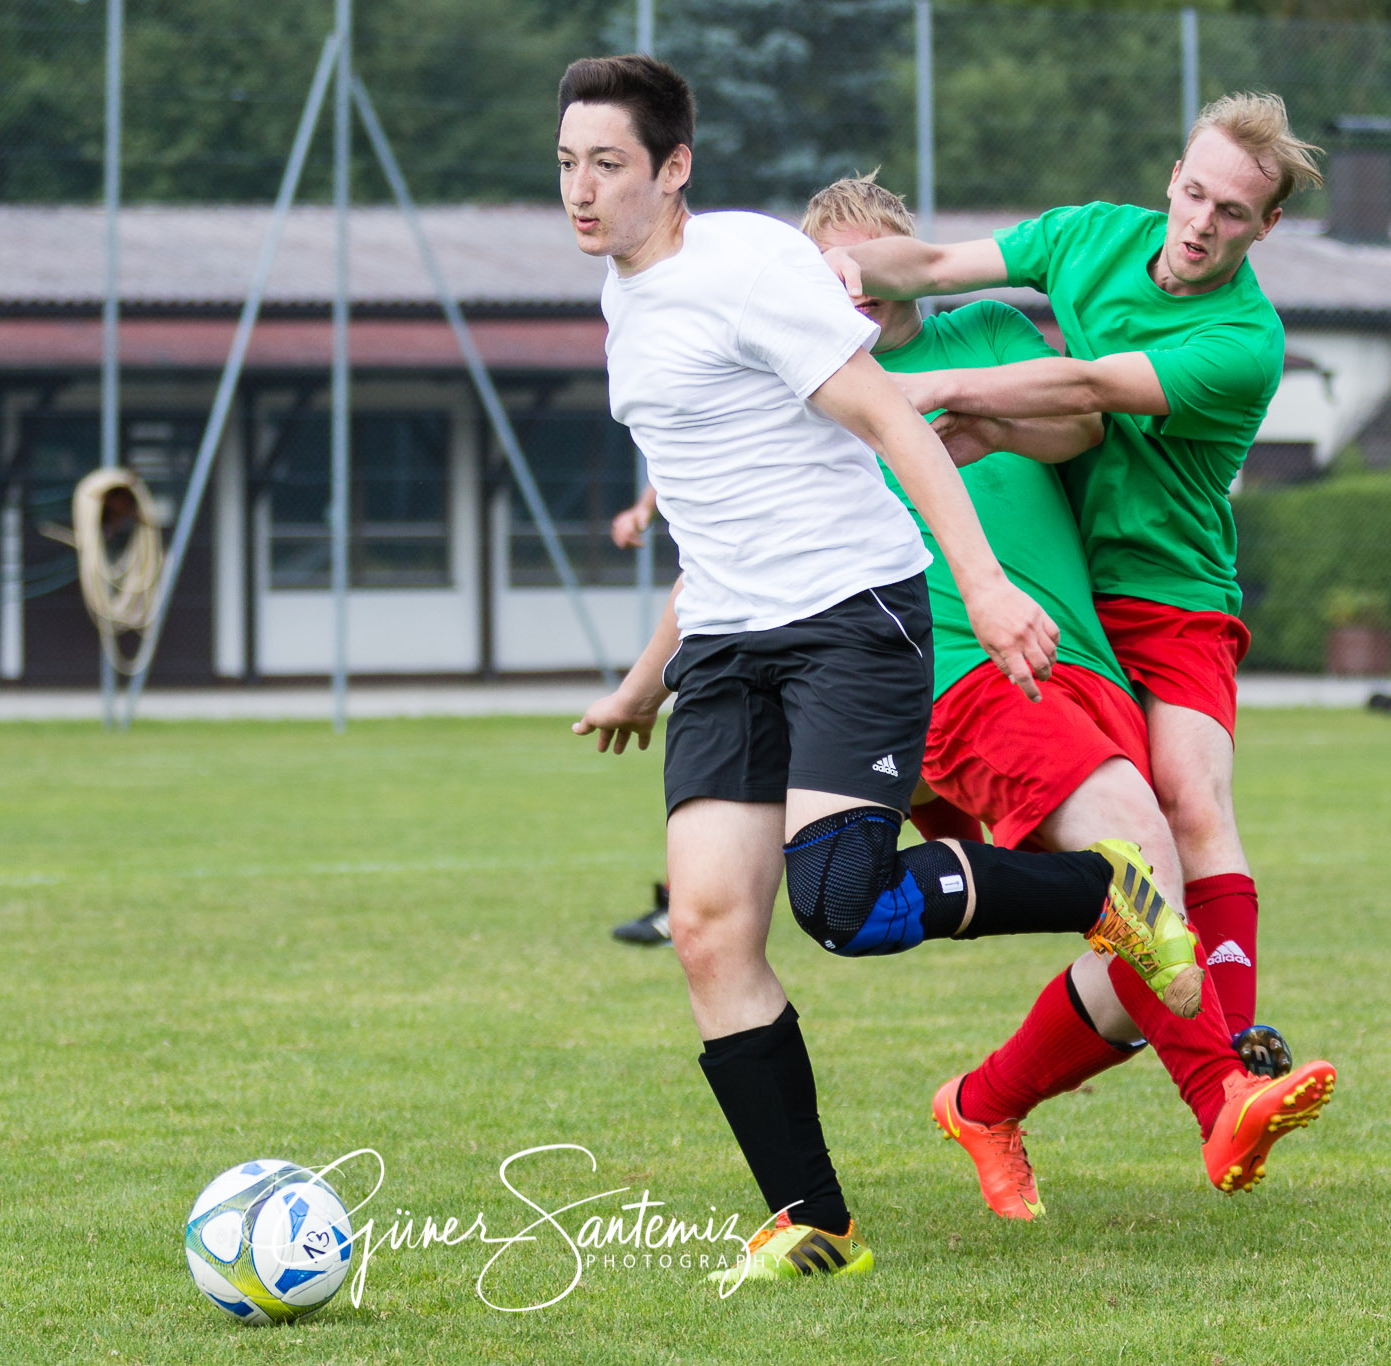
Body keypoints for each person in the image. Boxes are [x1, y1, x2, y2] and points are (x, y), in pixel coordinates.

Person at [556, 55, 1201, 1286]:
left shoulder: (748, 267)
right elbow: (708, 502)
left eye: (609, 166)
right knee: (703, 930)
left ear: (672, 168)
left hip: (853, 615)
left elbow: (897, 421)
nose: (582, 191)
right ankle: (814, 1223)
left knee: (838, 905)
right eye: (568, 166)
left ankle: (1099, 891)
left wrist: (991, 585)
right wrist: (648, 675)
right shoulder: (620, 297)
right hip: (732, 644)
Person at [800, 174, 1333, 1219]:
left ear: (907, 259)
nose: (856, 291)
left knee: (1143, 922)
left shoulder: (988, 326)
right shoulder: (818, 389)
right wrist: (655, 674)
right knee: (1136, 854)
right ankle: (1222, 1090)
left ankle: (981, 1102)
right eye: (832, 274)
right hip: (964, 668)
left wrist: (969, 408)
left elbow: (1078, 428)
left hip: (1078, 656)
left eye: (871, 265)